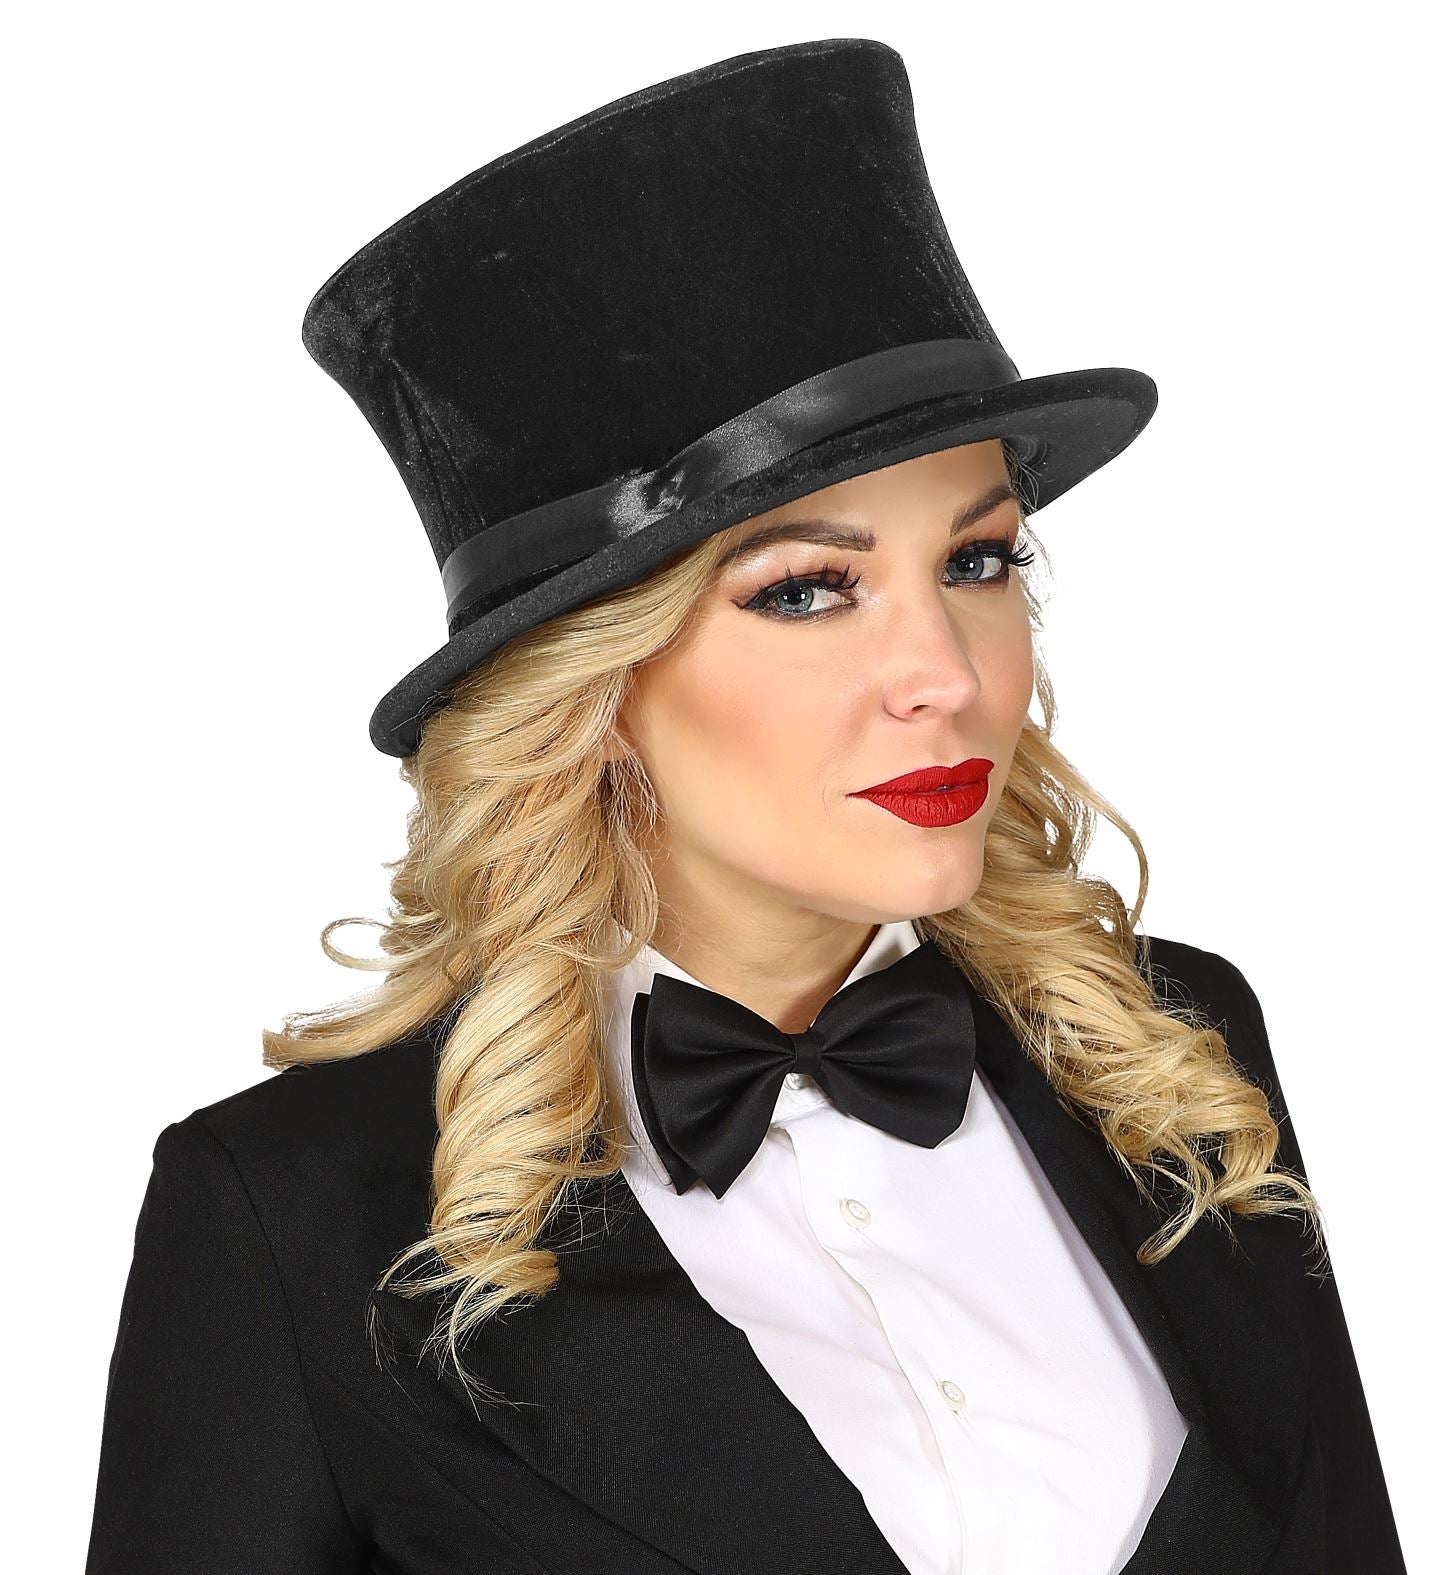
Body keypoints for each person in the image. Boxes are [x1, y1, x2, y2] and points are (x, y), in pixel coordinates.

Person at [84, 35, 1408, 1575]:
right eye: (806, 590)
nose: (943, 675)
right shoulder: (288, 1217)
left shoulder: (1170, 1058)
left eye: (977, 561)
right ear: (588, 684)